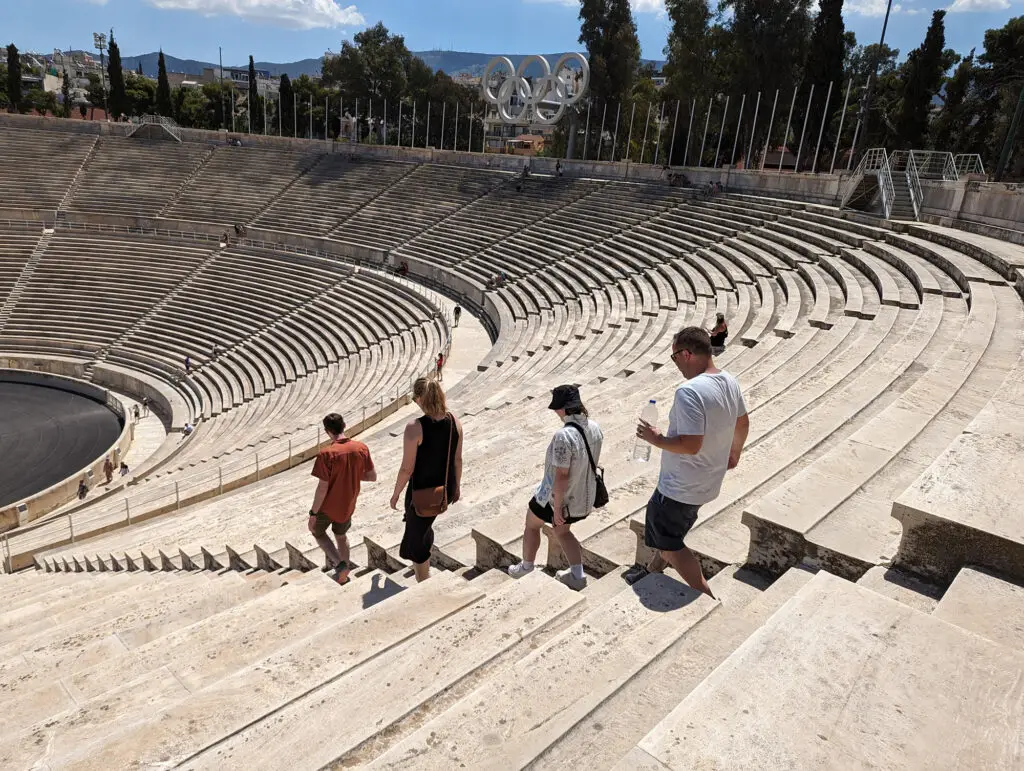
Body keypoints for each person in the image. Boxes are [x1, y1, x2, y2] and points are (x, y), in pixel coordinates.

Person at [632, 327, 749, 597]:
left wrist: (655, 438)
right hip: (708, 480)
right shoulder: (729, 380)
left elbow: (691, 444)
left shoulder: (689, 391)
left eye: (674, 358)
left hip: (680, 487)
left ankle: (706, 595)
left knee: (669, 542)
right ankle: (652, 571)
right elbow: (742, 422)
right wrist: (735, 453)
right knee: (671, 533)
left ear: (686, 354)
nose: (675, 365)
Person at [508, 385, 604, 590]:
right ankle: (577, 576)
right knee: (563, 533)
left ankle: (526, 566)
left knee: (532, 524)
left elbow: (561, 475)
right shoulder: (595, 428)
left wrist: (558, 507)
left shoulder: (564, 436)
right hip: (583, 497)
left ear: (563, 409)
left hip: (557, 498)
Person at [390, 378, 463, 583]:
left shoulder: (415, 427)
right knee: (423, 528)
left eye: (415, 399)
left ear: (421, 399)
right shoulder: (455, 422)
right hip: (444, 491)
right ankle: (424, 569)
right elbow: (457, 460)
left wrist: (395, 494)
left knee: (416, 543)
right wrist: (456, 488)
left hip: (421, 494)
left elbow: (407, 468)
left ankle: (424, 582)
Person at [309, 412, 376, 583]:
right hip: (348, 504)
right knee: (341, 536)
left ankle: (340, 565)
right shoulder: (361, 448)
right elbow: (371, 476)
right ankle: (343, 574)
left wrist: (313, 513)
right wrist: (350, 475)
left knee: (317, 531)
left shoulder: (326, 454)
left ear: (326, 431)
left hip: (327, 506)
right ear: (344, 426)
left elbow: (323, 487)